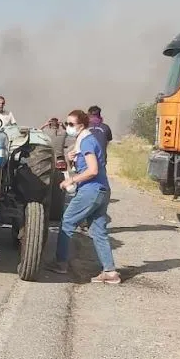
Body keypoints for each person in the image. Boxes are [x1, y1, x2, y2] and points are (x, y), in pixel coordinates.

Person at [47, 110, 120, 284]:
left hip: (91, 190)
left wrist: (71, 180)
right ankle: (110, 272)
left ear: (82, 124)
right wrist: (71, 159)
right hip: (102, 190)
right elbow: (85, 167)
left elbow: (92, 170)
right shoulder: (84, 141)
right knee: (98, 230)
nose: (68, 127)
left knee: (67, 222)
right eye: (67, 124)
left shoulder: (87, 142)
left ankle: (61, 263)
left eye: (71, 124)